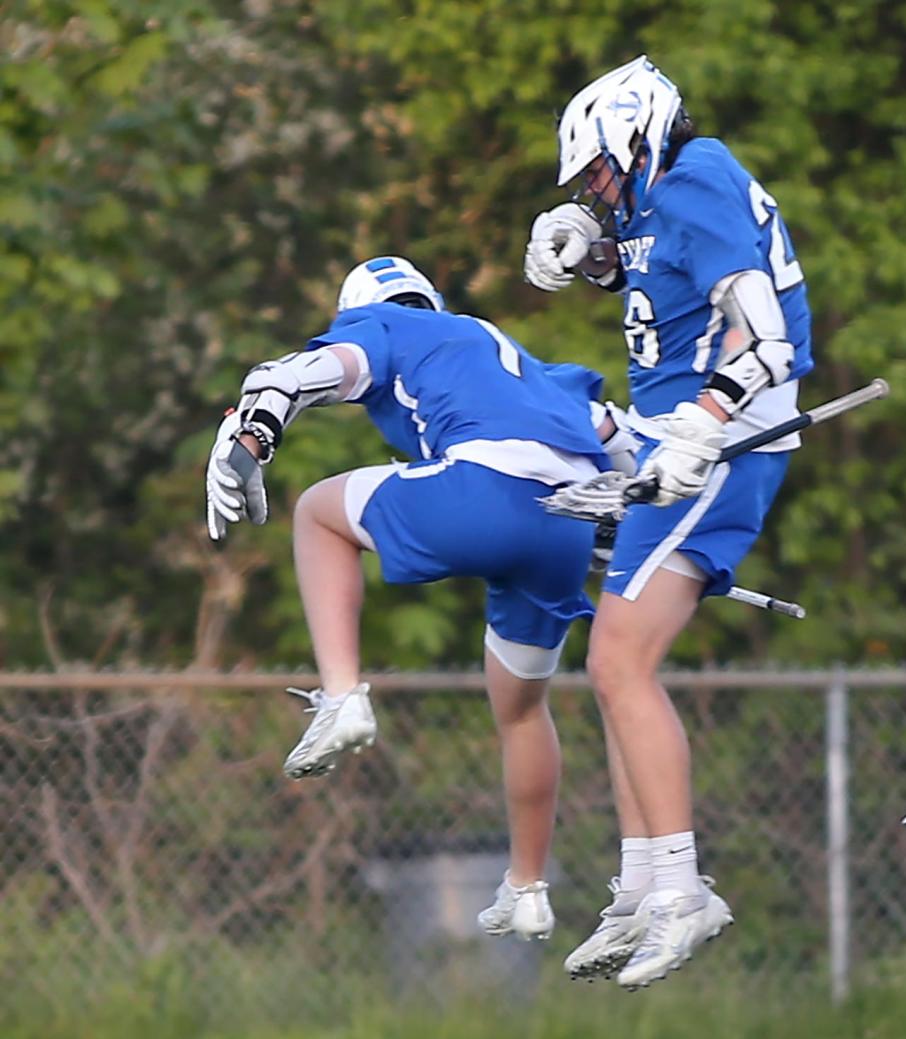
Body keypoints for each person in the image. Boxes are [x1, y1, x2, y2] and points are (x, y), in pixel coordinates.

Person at [204, 255, 639, 943]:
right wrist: (636, 530)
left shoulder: (382, 324)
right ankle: (527, 887)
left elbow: (301, 374)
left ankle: (342, 695)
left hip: (481, 489)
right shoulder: (515, 357)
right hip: (563, 525)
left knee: (317, 514)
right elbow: (624, 448)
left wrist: (252, 436)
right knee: (523, 708)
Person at [523, 55, 814, 990]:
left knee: (620, 662)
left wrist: (707, 423)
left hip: (711, 447)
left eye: (601, 174)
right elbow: (664, 285)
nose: (600, 192)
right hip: (675, 438)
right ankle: (646, 882)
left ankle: (684, 892)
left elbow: (766, 337)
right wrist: (592, 250)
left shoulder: (695, 182)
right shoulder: (673, 193)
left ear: (641, 135)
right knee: (613, 662)